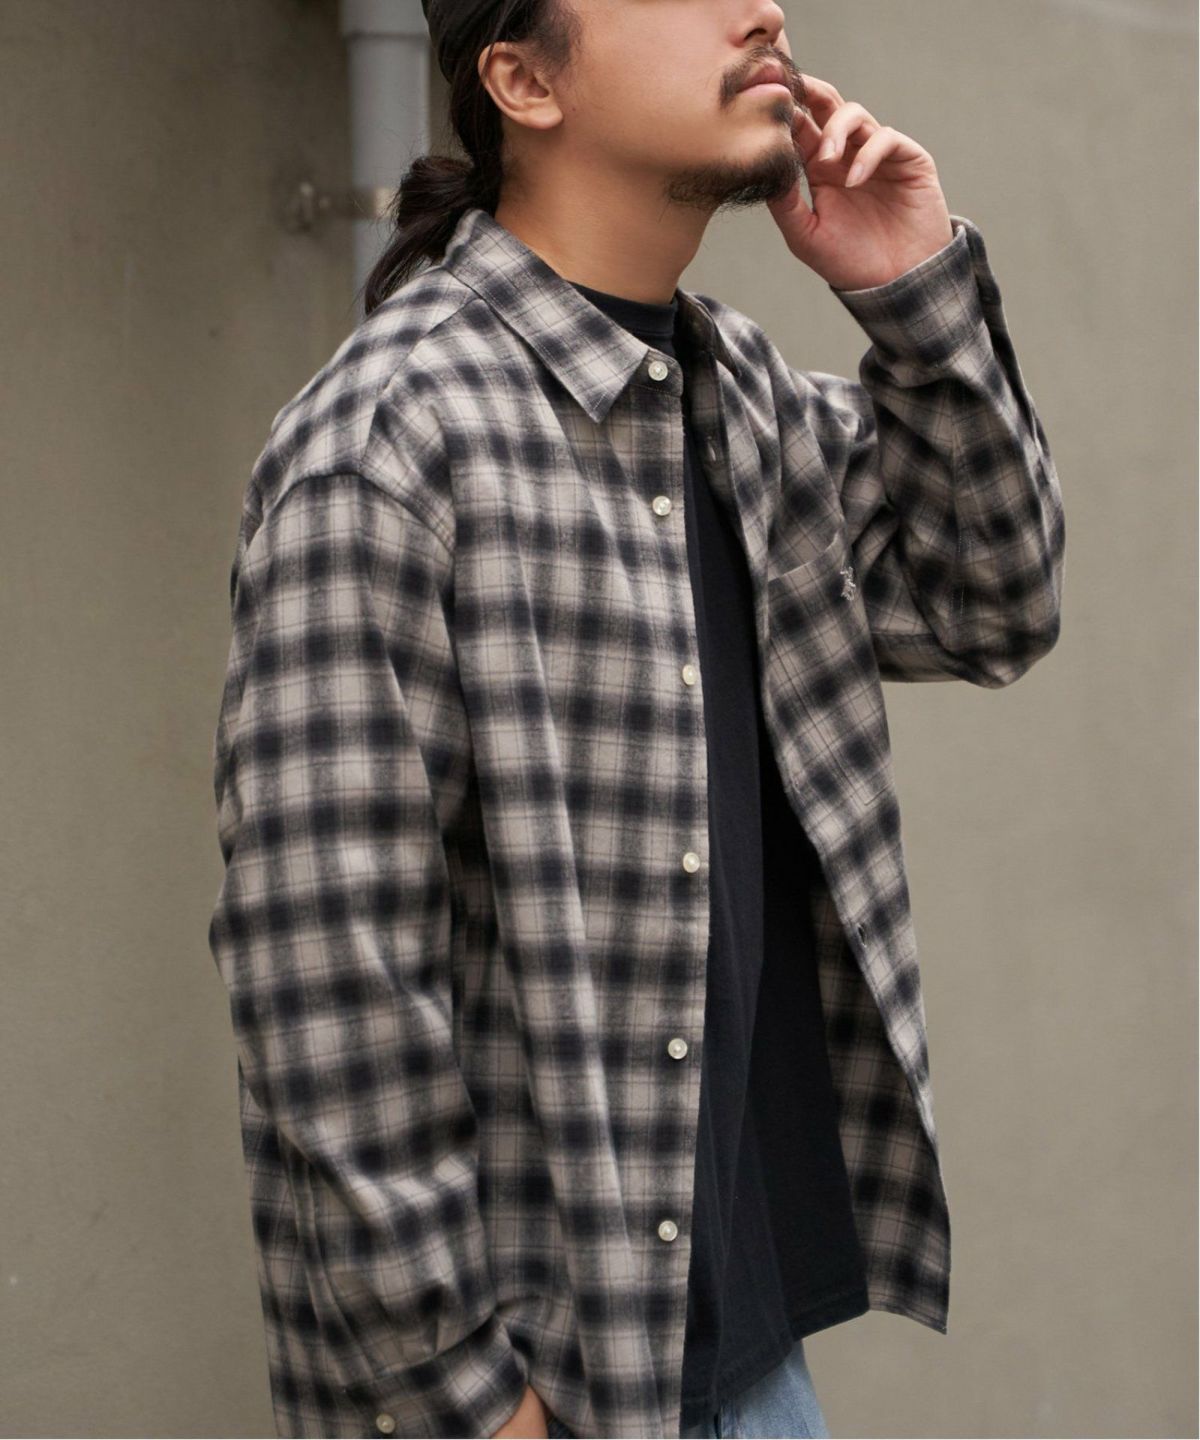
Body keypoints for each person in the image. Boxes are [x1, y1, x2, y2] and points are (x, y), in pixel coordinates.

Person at [206, 0, 1065, 1436]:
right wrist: (472, 1402)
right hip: (542, 1389)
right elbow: (325, 983)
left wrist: (914, 293)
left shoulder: (740, 399)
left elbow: (993, 600)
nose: (761, 10)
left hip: (740, 1360)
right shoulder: (391, 446)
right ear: (522, 79)